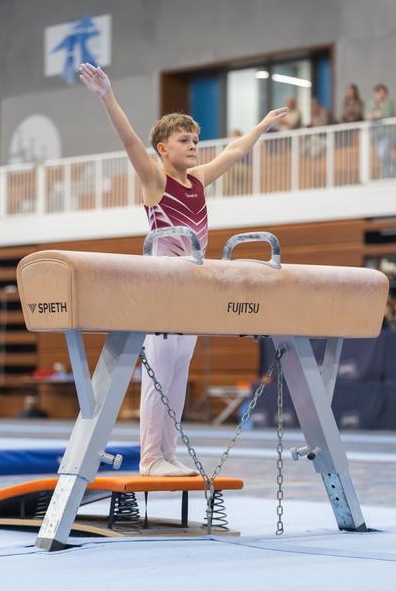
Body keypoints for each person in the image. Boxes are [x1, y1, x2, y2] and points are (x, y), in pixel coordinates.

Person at [80, 62, 287, 477]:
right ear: (163, 149)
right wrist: (107, 95)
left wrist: (263, 124)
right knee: (160, 369)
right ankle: (151, 457)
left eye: (195, 139)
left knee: (177, 373)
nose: (194, 145)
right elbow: (129, 140)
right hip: (163, 283)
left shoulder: (198, 179)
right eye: (184, 140)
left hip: (192, 284)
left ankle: (167, 453)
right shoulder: (155, 180)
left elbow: (234, 151)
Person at [365, 84, 396, 178]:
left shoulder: (389, 103)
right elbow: (367, 116)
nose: (381, 95)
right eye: (378, 93)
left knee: (382, 153)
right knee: (382, 155)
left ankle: (387, 176)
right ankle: (394, 167)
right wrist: (374, 115)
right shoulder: (371, 103)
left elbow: (383, 114)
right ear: (375, 93)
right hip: (376, 135)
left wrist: (374, 115)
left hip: (388, 134)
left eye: (383, 93)